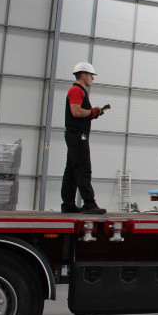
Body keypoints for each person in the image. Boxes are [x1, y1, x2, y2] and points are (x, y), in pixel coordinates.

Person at [61, 62, 107, 214]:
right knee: (83, 168)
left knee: (72, 169)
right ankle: (89, 203)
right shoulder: (76, 90)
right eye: (91, 75)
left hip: (75, 134)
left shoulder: (79, 91)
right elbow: (76, 112)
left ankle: (68, 204)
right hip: (77, 135)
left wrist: (94, 113)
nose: (92, 79)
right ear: (83, 75)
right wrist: (92, 112)